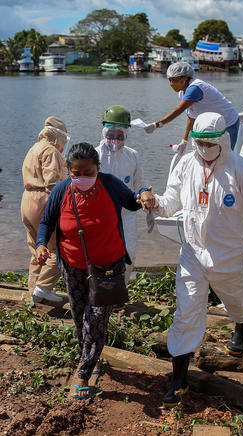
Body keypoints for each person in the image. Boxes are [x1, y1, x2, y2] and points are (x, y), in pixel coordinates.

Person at [147, 112, 243, 408]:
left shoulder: (242, 170)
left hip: (229, 256)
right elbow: (171, 202)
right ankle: (179, 380)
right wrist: (155, 203)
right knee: (186, 315)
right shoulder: (186, 165)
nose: (204, 149)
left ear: (223, 140)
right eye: (200, 143)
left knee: (238, 303)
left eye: (210, 144)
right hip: (193, 255)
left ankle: (242, 326)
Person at [35, 143, 154, 399]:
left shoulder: (109, 184)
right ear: (68, 171)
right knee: (80, 316)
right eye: (76, 173)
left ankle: (83, 372)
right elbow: (46, 221)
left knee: (96, 318)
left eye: (88, 172)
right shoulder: (61, 190)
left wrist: (143, 193)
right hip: (72, 266)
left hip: (109, 267)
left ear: (97, 169)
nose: (82, 178)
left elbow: (132, 202)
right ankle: (91, 355)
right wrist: (41, 245)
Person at [21, 116, 70, 305]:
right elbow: (52, 182)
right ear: (59, 137)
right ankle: (45, 287)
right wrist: (59, 207)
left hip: (27, 199)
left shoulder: (33, 148)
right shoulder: (51, 151)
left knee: (36, 247)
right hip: (43, 199)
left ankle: (33, 291)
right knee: (59, 245)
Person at [96, 105, 145, 287]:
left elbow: (139, 184)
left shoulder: (133, 156)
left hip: (127, 214)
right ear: (104, 133)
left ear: (126, 135)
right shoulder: (95, 155)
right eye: (111, 135)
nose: (115, 139)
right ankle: (100, 291)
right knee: (101, 254)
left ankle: (120, 292)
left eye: (120, 136)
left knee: (128, 254)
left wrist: (146, 196)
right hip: (100, 215)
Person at [148, 62, 240, 152]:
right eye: (170, 80)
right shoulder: (182, 92)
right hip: (212, 123)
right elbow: (191, 118)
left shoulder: (195, 88)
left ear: (185, 77)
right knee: (208, 153)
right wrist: (184, 141)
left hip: (228, 122)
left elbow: (178, 110)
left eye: (174, 80)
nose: (171, 84)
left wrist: (157, 124)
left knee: (224, 155)